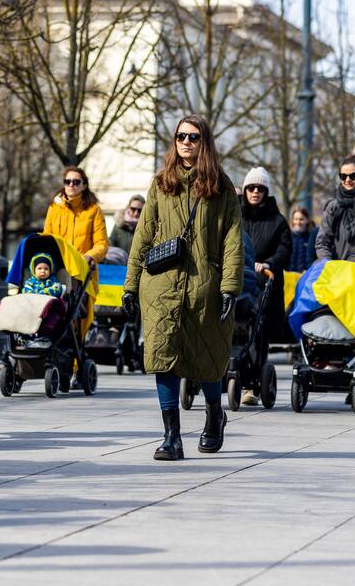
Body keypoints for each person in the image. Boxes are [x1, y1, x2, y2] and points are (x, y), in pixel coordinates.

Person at [121, 114, 244, 461]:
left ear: (204, 141)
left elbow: (233, 242)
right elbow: (143, 236)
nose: (186, 142)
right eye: (180, 136)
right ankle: (171, 436)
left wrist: (229, 287)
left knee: (208, 357)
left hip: (204, 286)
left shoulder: (221, 187)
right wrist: (130, 286)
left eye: (193, 137)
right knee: (163, 358)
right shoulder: (161, 183)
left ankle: (214, 415)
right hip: (161, 286)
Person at [43, 165, 109, 387]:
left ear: (84, 185)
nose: (71, 185)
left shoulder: (93, 210)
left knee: (78, 323)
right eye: (67, 181)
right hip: (60, 273)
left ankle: (74, 368)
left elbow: (102, 244)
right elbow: (47, 237)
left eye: (76, 182)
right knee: (56, 317)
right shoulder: (55, 207)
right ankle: (58, 365)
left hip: (83, 274)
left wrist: (89, 257)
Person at [238, 167, 292, 406]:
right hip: (237, 280)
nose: (255, 192)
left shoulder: (277, 221)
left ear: (266, 191)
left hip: (263, 283)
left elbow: (284, 249)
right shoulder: (236, 216)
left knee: (256, 328)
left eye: (260, 188)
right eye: (251, 188)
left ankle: (252, 383)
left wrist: (267, 263)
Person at [289, 206, 318, 273]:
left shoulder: (312, 237)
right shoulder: (287, 237)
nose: (298, 222)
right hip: (289, 276)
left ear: (307, 220)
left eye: (301, 219)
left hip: (305, 276)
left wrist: (308, 270)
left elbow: (313, 258)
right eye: (296, 219)